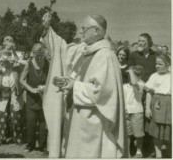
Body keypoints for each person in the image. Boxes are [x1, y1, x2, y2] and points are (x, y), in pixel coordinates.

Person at [41, 12, 127, 158]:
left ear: (96, 30)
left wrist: (75, 86)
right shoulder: (84, 51)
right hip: (76, 117)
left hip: (93, 122)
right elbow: (62, 51)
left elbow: (105, 93)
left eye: (84, 28)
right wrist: (48, 28)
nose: (81, 31)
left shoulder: (106, 56)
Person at [0, 49, 24, 146]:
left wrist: (15, 59)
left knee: (16, 116)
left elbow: (27, 64)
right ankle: (3, 137)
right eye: (5, 57)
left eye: (8, 56)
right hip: (1, 93)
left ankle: (17, 138)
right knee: (1, 115)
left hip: (15, 93)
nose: (6, 60)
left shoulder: (16, 66)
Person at [128, 33, 157, 157]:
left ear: (149, 42)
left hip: (152, 91)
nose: (139, 43)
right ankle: (134, 148)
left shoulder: (157, 55)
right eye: (138, 41)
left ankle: (149, 147)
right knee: (137, 118)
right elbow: (130, 72)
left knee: (151, 117)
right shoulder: (133, 55)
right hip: (137, 91)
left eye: (142, 41)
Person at [20, 43, 49, 153]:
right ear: (33, 53)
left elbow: (52, 79)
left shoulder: (48, 64)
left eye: (41, 55)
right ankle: (30, 145)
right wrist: (31, 89)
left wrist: (45, 87)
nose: (39, 57)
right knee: (31, 123)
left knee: (43, 124)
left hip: (44, 99)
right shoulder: (29, 64)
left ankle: (43, 146)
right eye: (37, 55)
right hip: (31, 98)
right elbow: (22, 80)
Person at [145, 54, 171, 158]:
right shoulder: (154, 76)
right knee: (157, 132)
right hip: (157, 105)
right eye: (156, 64)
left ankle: (170, 153)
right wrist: (147, 108)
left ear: (168, 64)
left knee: (169, 131)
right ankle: (158, 155)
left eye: (160, 64)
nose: (157, 66)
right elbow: (149, 93)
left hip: (170, 105)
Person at [124, 65, 145, 158]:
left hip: (137, 112)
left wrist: (131, 71)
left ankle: (139, 151)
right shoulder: (124, 86)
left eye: (133, 75)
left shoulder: (140, 84)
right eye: (129, 75)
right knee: (128, 134)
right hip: (126, 112)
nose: (130, 77)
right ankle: (127, 152)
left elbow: (134, 82)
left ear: (139, 77)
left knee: (138, 134)